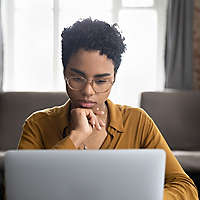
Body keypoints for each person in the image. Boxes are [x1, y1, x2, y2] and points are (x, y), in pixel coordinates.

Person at [18, 18, 198, 200]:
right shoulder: (37, 124)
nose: (88, 91)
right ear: (65, 72)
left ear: (114, 78)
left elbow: (186, 188)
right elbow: (20, 192)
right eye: (77, 78)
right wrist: (75, 137)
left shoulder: (137, 121)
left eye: (101, 81)